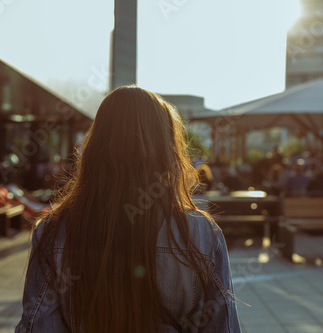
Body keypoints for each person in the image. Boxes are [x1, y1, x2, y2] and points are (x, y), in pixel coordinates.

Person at [15, 86, 241, 332]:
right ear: (167, 152)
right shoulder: (202, 234)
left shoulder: (53, 231)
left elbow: (37, 327)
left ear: (94, 149)